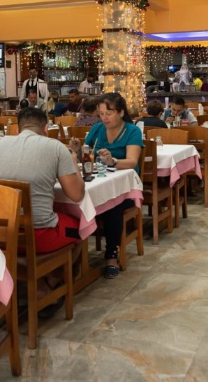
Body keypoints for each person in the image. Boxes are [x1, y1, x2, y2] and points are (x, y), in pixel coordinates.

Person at [0, 107, 85, 311]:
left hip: (3, 236)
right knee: (82, 227)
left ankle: (36, 281)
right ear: (46, 129)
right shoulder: (55, 147)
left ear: (17, 129)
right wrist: (74, 161)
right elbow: (76, 194)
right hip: (39, 236)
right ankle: (49, 283)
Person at [69, 93, 142, 280]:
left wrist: (113, 161)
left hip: (125, 188)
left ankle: (111, 255)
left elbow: (132, 161)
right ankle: (74, 257)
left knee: (113, 206)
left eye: (109, 113)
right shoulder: (97, 129)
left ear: (121, 112)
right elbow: (87, 156)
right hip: (100, 180)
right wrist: (78, 150)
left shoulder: (132, 131)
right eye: (101, 114)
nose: (104, 118)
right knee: (75, 202)